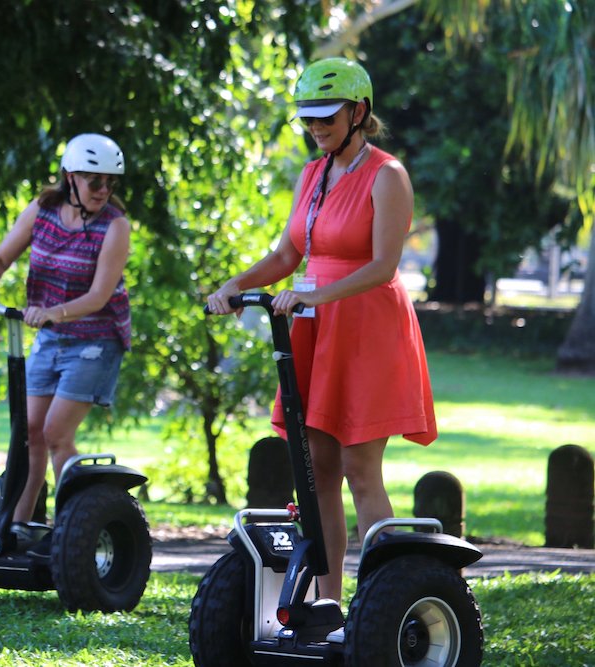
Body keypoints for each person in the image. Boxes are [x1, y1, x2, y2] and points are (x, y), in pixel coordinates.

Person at [206, 57, 436, 603]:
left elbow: (383, 266)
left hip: (365, 327)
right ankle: (329, 603)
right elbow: (289, 252)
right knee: (317, 472)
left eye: (326, 117)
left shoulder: (388, 175)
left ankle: (386, 598)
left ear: (359, 112)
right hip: (313, 324)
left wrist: (314, 295)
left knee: (361, 468)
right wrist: (235, 284)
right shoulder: (312, 174)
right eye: (308, 118)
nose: (315, 127)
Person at [0, 133, 131, 553]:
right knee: (29, 432)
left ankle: (74, 530)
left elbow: (99, 295)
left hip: (95, 340)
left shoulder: (115, 226)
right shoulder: (43, 211)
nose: (104, 191)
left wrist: (54, 311)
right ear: (70, 178)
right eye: (95, 182)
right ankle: (16, 528)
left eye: (110, 183)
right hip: (51, 338)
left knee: (56, 432)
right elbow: (0, 258)